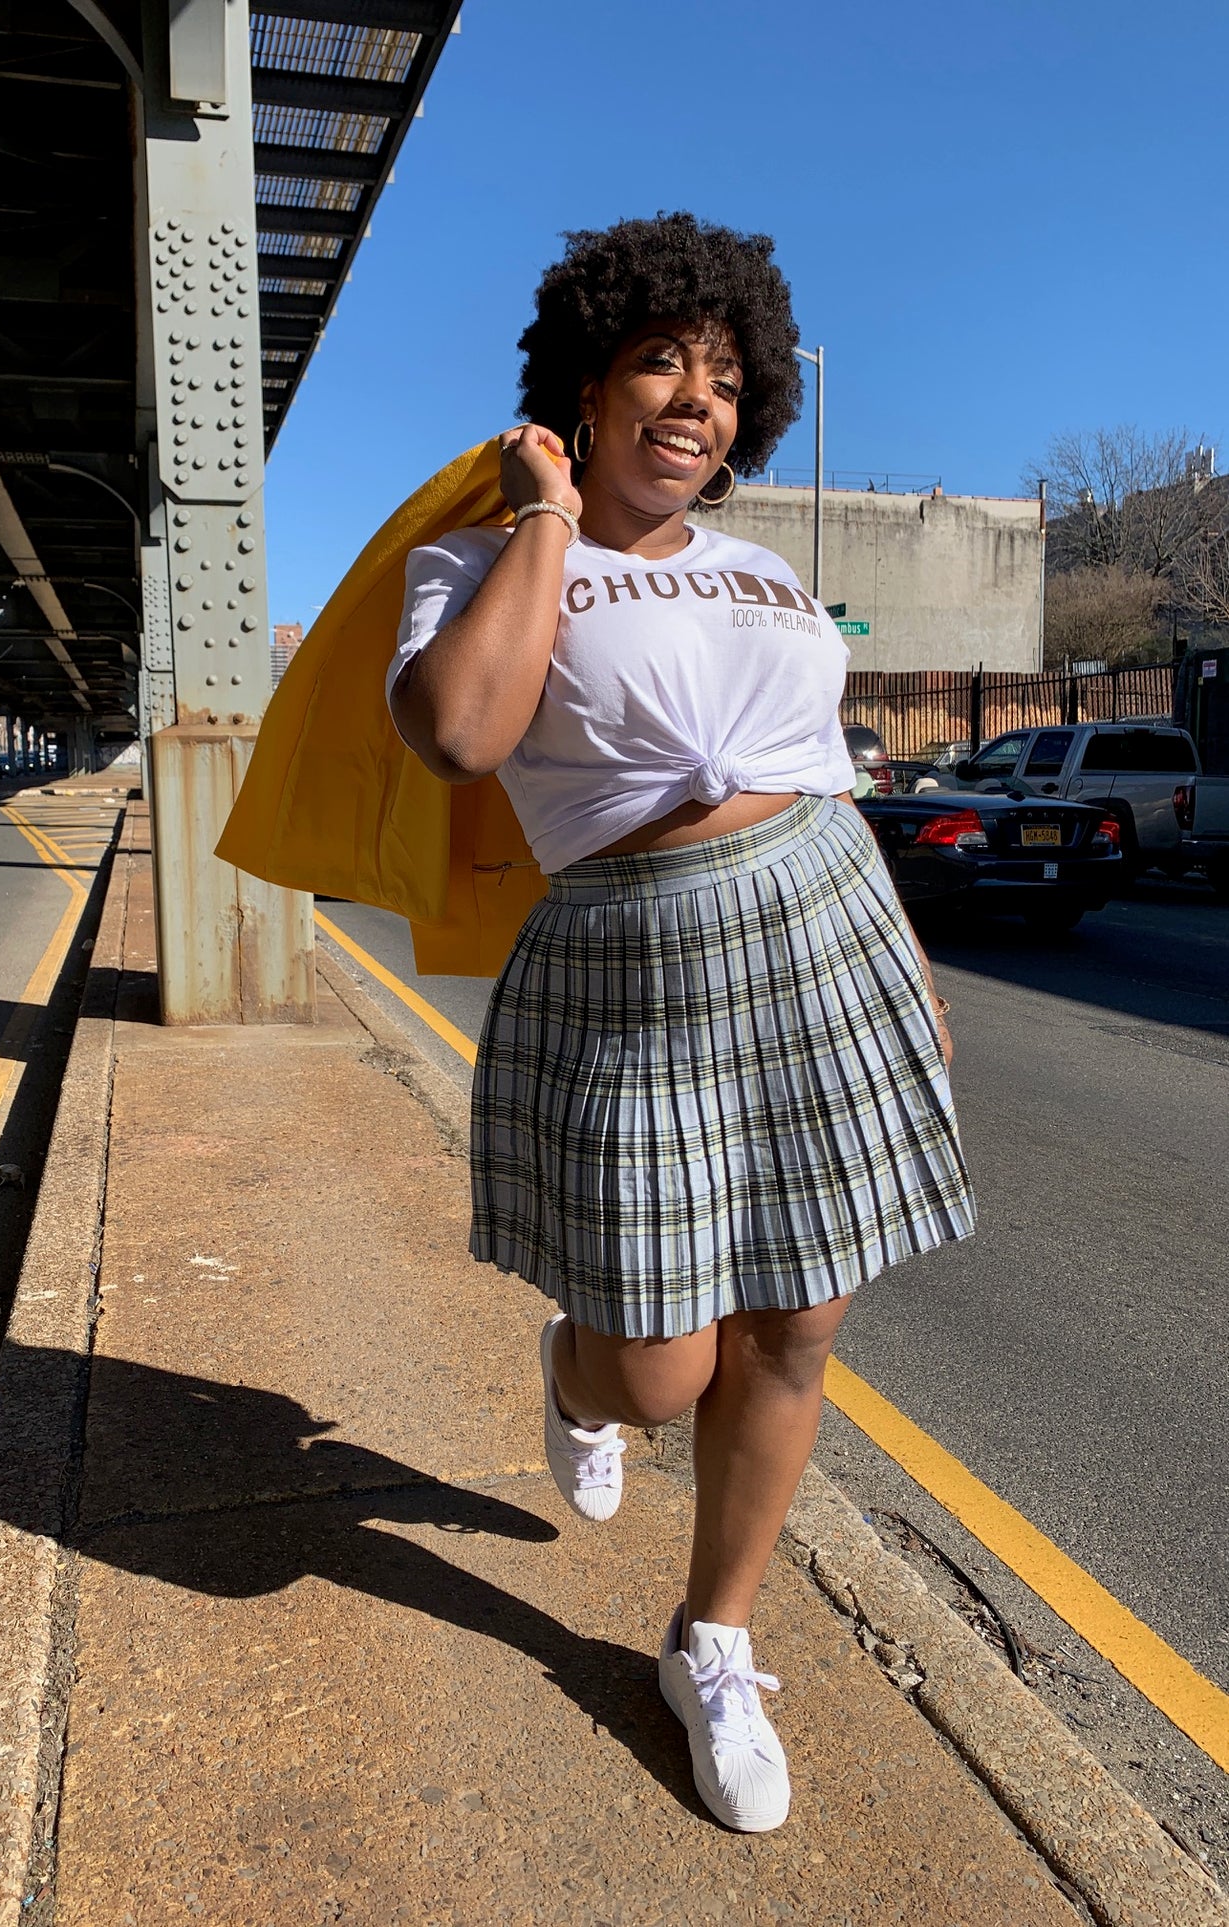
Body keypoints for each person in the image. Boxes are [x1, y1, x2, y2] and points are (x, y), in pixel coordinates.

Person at [387, 213, 975, 1834]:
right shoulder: (484, 560)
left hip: (822, 923)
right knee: (658, 1375)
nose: (694, 400)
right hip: (630, 963)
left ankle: (710, 1640)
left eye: (723, 376)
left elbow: (823, 779)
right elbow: (457, 732)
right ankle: (580, 1386)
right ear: (583, 382)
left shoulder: (768, 568)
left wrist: (905, 972)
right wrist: (543, 524)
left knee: (796, 1324)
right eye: (659, 360)